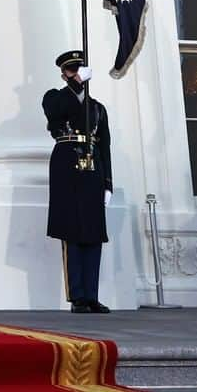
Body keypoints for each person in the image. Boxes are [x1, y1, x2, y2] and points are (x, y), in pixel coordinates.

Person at [43, 49, 112, 314]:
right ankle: (77, 296)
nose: (77, 74)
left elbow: (105, 145)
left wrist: (108, 182)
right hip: (67, 165)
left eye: (80, 70)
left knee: (93, 232)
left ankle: (92, 294)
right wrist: (74, 85)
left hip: (93, 166)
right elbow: (57, 112)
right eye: (72, 71)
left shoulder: (97, 108)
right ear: (64, 74)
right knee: (72, 231)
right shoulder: (54, 97)